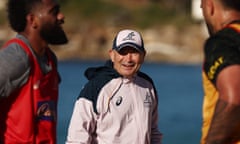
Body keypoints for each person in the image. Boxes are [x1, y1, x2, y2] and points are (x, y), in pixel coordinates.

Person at [66, 29, 162, 144]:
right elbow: (77, 139)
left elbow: (153, 131)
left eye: (134, 52)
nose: (128, 59)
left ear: (143, 55)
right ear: (112, 55)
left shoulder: (148, 85)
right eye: (123, 52)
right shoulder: (95, 87)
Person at [0, 0, 68, 143]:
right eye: (54, 12)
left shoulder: (50, 59)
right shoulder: (17, 57)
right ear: (32, 20)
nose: (61, 17)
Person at [200, 0, 240, 143]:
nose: (200, 8)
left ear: (210, 5)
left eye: (202, 5)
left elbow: (233, 99)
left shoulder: (224, 42)